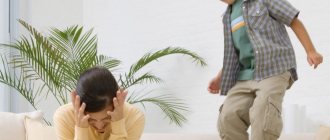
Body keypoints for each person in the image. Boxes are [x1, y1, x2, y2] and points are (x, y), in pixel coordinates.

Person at [208, 0, 323, 140]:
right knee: (228, 116)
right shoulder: (228, 15)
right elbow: (236, 52)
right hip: (245, 75)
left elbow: (293, 20)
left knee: (263, 114)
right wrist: (219, 77)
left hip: (274, 68)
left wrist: (311, 51)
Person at [53, 66, 145, 140]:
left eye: (107, 118)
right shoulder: (64, 117)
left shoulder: (134, 117)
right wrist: (81, 130)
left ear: (117, 99)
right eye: (90, 119)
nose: (99, 126)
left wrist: (118, 124)